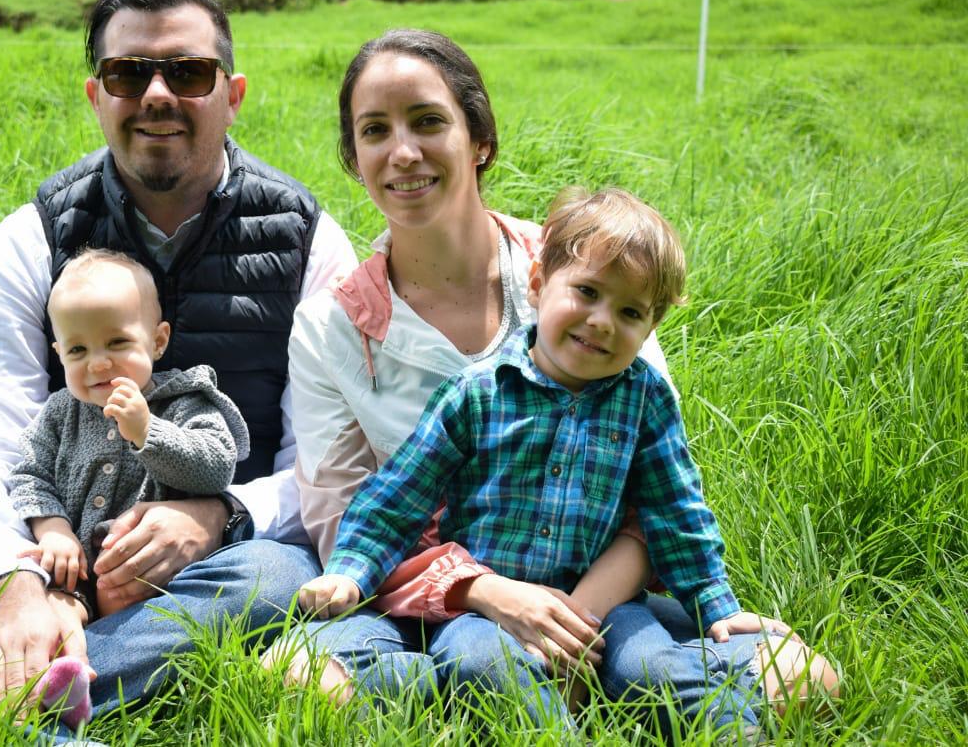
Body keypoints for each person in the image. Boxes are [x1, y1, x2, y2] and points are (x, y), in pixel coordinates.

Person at [0, 0, 358, 731]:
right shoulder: (30, 239)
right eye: (127, 73)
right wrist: (19, 588)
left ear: (233, 93)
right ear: (96, 94)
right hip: (63, 561)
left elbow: (321, 463)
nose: (156, 94)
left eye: (187, 72)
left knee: (279, 575)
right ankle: (94, 686)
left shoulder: (310, 241)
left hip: (220, 565)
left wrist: (219, 514)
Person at [281, 30, 837, 731]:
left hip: (602, 593)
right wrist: (489, 594)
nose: (403, 152)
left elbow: (662, 504)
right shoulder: (333, 328)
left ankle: (634, 681)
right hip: (444, 604)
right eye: (375, 130)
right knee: (308, 677)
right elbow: (358, 513)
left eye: (428, 121)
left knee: (806, 681)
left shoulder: (592, 268)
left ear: (478, 138)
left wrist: (584, 618)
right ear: (354, 157)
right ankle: (501, 690)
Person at [300, 185, 782, 733]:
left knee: (647, 667)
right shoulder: (476, 394)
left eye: (629, 312)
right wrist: (350, 573)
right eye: (587, 292)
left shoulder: (644, 400)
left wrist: (717, 606)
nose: (602, 320)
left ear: (650, 328)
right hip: (485, 607)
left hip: (602, 607)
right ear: (536, 285)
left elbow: (676, 512)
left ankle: (738, 731)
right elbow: (395, 499)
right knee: (478, 663)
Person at [7, 248, 245, 619]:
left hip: (160, 578)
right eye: (78, 349)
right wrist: (52, 529)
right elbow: (30, 474)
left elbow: (216, 468)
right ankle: (65, 665)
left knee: (259, 575)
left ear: (158, 341)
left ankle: (92, 660)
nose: (98, 362)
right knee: (56, 602)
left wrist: (148, 431)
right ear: (59, 353)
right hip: (76, 573)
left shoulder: (183, 400)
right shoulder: (61, 411)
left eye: (117, 342)